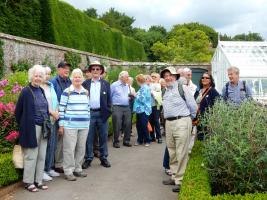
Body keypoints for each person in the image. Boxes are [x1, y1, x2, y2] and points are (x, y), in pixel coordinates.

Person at [161, 67, 197, 193]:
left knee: (181, 151)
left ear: (175, 76)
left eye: (170, 75)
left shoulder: (183, 88)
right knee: (172, 150)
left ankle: (180, 180)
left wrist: (190, 119)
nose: (168, 77)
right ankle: (174, 176)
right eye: (165, 75)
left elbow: (193, 106)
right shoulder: (164, 91)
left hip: (182, 120)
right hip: (169, 123)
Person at [15, 65, 49, 192]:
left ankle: (38, 180)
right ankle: (28, 182)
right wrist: (25, 125)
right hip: (31, 128)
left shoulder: (41, 90)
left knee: (41, 155)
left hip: (44, 127)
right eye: (36, 75)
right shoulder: (26, 91)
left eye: (40, 76)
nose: (38, 78)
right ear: (31, 76)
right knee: (31, 155)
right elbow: (18, 112)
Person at [58, 68, 90, 181]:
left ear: (82, 78)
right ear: (72, 78)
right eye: (75, 76)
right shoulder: (67, 91)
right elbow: (61, 109)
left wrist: (88, 123)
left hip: (84, 126)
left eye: (79, 76)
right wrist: (61, 125)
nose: (77, 78)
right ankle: (68, 171)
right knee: (69, 149)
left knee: (81, 148)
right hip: (70, 125)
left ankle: (77, 169)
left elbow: (88, 109)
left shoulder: (86, 92)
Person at [82, 61, 112, 169]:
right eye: (93, 69)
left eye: (97, 69)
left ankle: (103, 157)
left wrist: (108, 111)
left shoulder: (106, 84)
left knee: (103, 136)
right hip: (89, 113)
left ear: (101, 71)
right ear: (90, 71)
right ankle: (88, 158)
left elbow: (109, 100)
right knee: (89, 137)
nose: (95, 71)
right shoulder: (85, 84)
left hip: (102, 113)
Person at [50, 61, 71, 173]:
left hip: (68, 115)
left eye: (68, 68)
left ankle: (60, 162)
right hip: (57, 114)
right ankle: (56, 164)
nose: (67, 70)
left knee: (65, 140)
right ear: (58, 69)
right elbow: (52, 99)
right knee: (58, 139)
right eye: (64, 68)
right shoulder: (53, 81)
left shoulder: (70, 81)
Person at [42, 66, 60, 182]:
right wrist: (52, 112)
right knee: (45, 146)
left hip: (54, 119)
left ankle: (49, 168)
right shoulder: (39, 87)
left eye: (49, 73)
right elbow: (42, 103)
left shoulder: (51, 86)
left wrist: (57, 112)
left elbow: (56, 100)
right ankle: (42, 170)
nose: (47, 76)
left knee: (52, 145)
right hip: (45, 120)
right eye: (45, 73)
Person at [194, 72, 220, 140]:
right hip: (198, 121)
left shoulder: (213, 91)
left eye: (207, 78)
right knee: (199, 139)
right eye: (203, 77)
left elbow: (219, 104)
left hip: (207, 121)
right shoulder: (198, 91)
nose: (204, 79)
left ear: (210, 80)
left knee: (206, 139)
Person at [111, 71, 132, 148]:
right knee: (117, 124)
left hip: (126, 107)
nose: (128, 78)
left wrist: (130, 97)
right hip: (117, 107)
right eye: (127, 76)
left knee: (128, 124)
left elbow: (127, 95)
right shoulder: (114, 85)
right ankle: (116, 141)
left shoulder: (127, 85)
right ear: (121, 77)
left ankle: (126, 140)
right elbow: (110, 95)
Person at [133, 74, 152, 147]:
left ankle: (147, 140)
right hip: (140, 110)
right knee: (139, 125)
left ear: (139, 81)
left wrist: (135, 95)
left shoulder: (144, 88)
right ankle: (140, 140)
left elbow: (142, 99)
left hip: (143, 109)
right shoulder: (143, 87)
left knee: (143, 125)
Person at [149, 73, 162, 143]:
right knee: (150, 121)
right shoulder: (149, 85)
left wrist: (151, 91)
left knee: (156, 121)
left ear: (158, 78)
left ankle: (159, 137)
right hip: (149, 106)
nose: (153, 78)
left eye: (155, 77)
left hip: (156, 106)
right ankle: (152, 137)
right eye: (152, 76)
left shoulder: (158, 85)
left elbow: (157, 92)